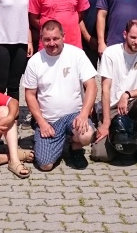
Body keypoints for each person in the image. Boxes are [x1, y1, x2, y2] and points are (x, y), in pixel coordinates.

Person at [22, 20, 98, 171]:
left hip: (74, 116)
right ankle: (54, 139)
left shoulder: (77, 54)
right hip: (49, 120)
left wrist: (84, 114)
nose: (52, 43)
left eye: (55, 38)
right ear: (41, 39)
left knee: (86, 134)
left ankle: (75, 147)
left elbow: (92, 86)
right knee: (45, 165)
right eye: (47, 39)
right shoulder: (35, 61)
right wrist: (42, 123)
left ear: (63, 36)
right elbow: (30, 95)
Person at [90, 19, 137, 168]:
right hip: (113, 108)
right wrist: (106, 123)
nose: (136, 42)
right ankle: (122, 136)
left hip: (134, 104)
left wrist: (127, 94)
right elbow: (105, 89)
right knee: (100, 154)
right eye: (133, 37)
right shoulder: (111, 53)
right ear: (125, 34)